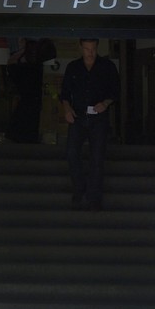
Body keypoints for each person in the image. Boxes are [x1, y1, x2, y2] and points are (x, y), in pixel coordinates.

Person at [60, 37, 119, 209]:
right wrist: (67, 109)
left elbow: (115, 91)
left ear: (97, 47)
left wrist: (105, 103)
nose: (90, 52)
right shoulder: (73, 67)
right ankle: (79, 188)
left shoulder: (107, 66)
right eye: (87, 49)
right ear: (81, 48)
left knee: (97, 157)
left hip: (98, 116)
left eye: (93, 48)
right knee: (71, 153)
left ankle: (94, 197)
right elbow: (64, 93)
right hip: (78, 115)